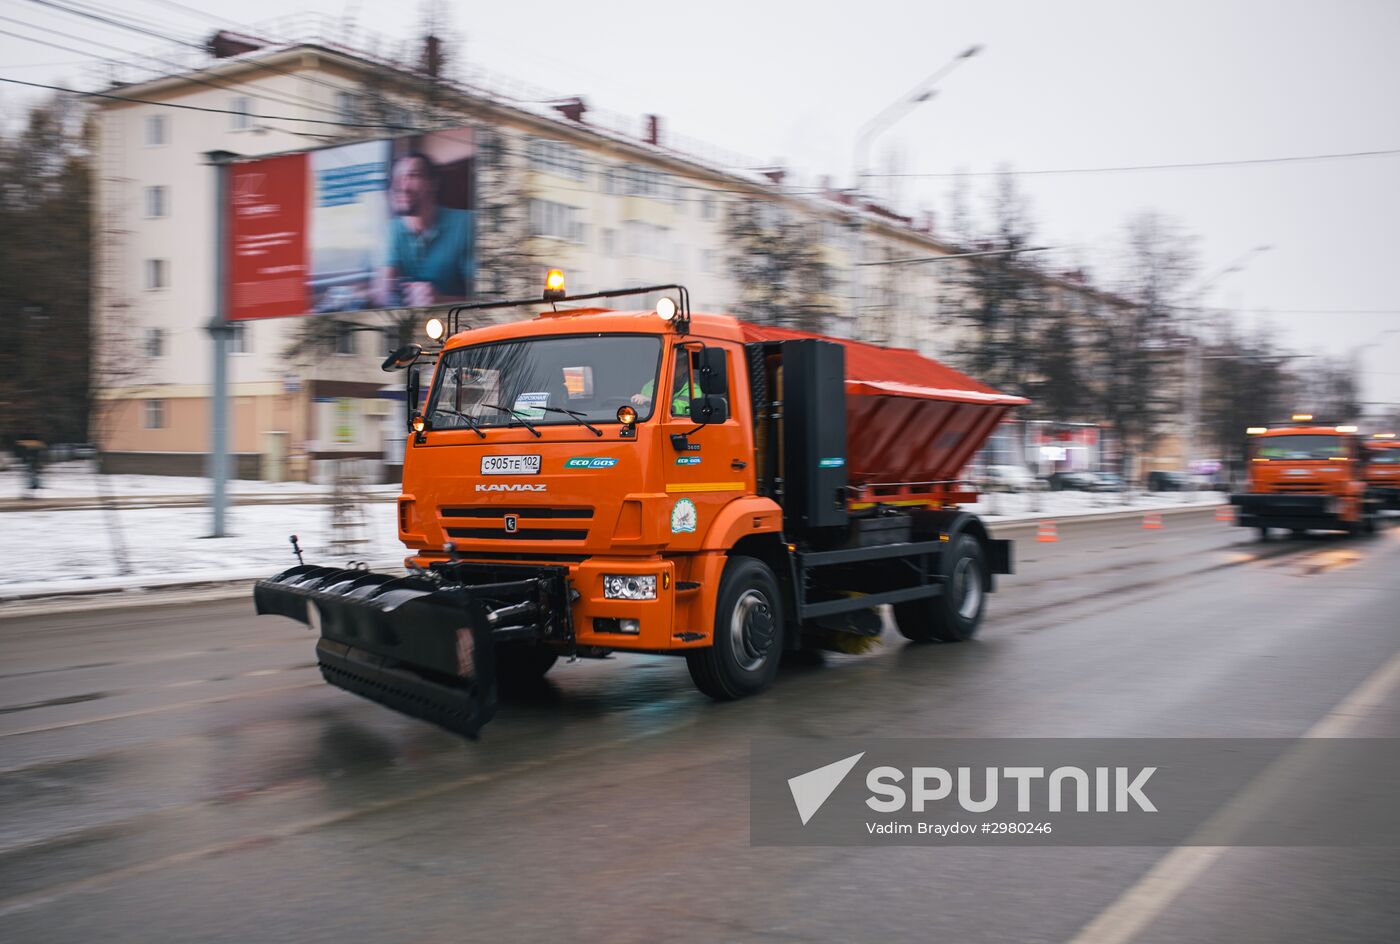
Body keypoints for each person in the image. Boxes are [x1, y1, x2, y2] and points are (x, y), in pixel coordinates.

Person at [374, 151, 475, 308]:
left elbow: (487, 299)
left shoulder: (467, 224)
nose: (401, 186)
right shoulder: (391, 229)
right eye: (397, 178)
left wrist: (441, 301)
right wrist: (387, 291)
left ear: (433, 184)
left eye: (412, 176)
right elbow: (382, 292)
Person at [632, 350, 702, 417]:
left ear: (685, 368)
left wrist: (651, 401)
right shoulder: (650, 385)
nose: (671, 367)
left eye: (676, 364)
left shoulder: (693, 389)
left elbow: (676, 410)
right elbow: (640, 410)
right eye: (668, 363)